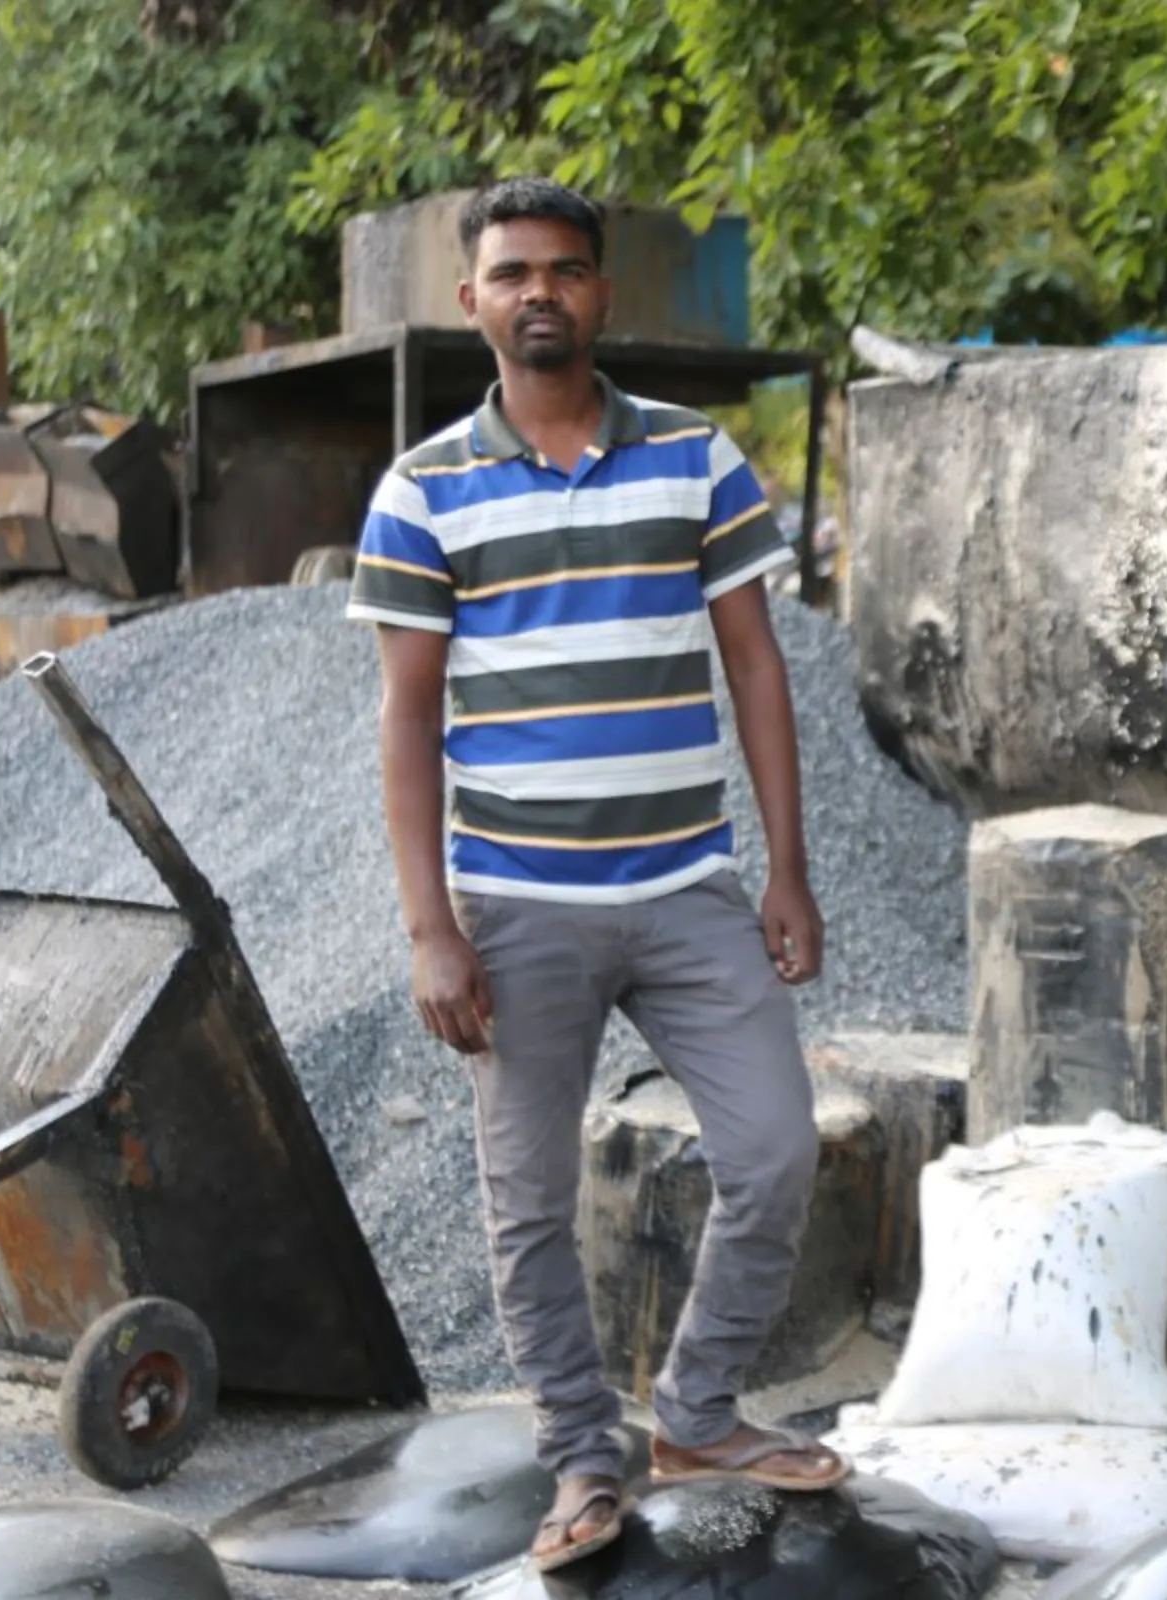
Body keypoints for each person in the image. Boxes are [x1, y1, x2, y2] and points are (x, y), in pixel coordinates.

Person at [344, 176, 850, 1573]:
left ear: (600, 294)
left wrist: (785, 872)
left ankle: (694, 1411)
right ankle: (582, 1454)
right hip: (516, 907)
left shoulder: (694, 458)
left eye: (566, 271)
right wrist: (429, 927)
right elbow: (406, 718)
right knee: (526, 1207)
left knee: (774, 1147)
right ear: (473, 301)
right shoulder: (425, 490)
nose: (541, 294)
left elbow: (756, 664)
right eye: (513, 273)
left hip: (689, 885)